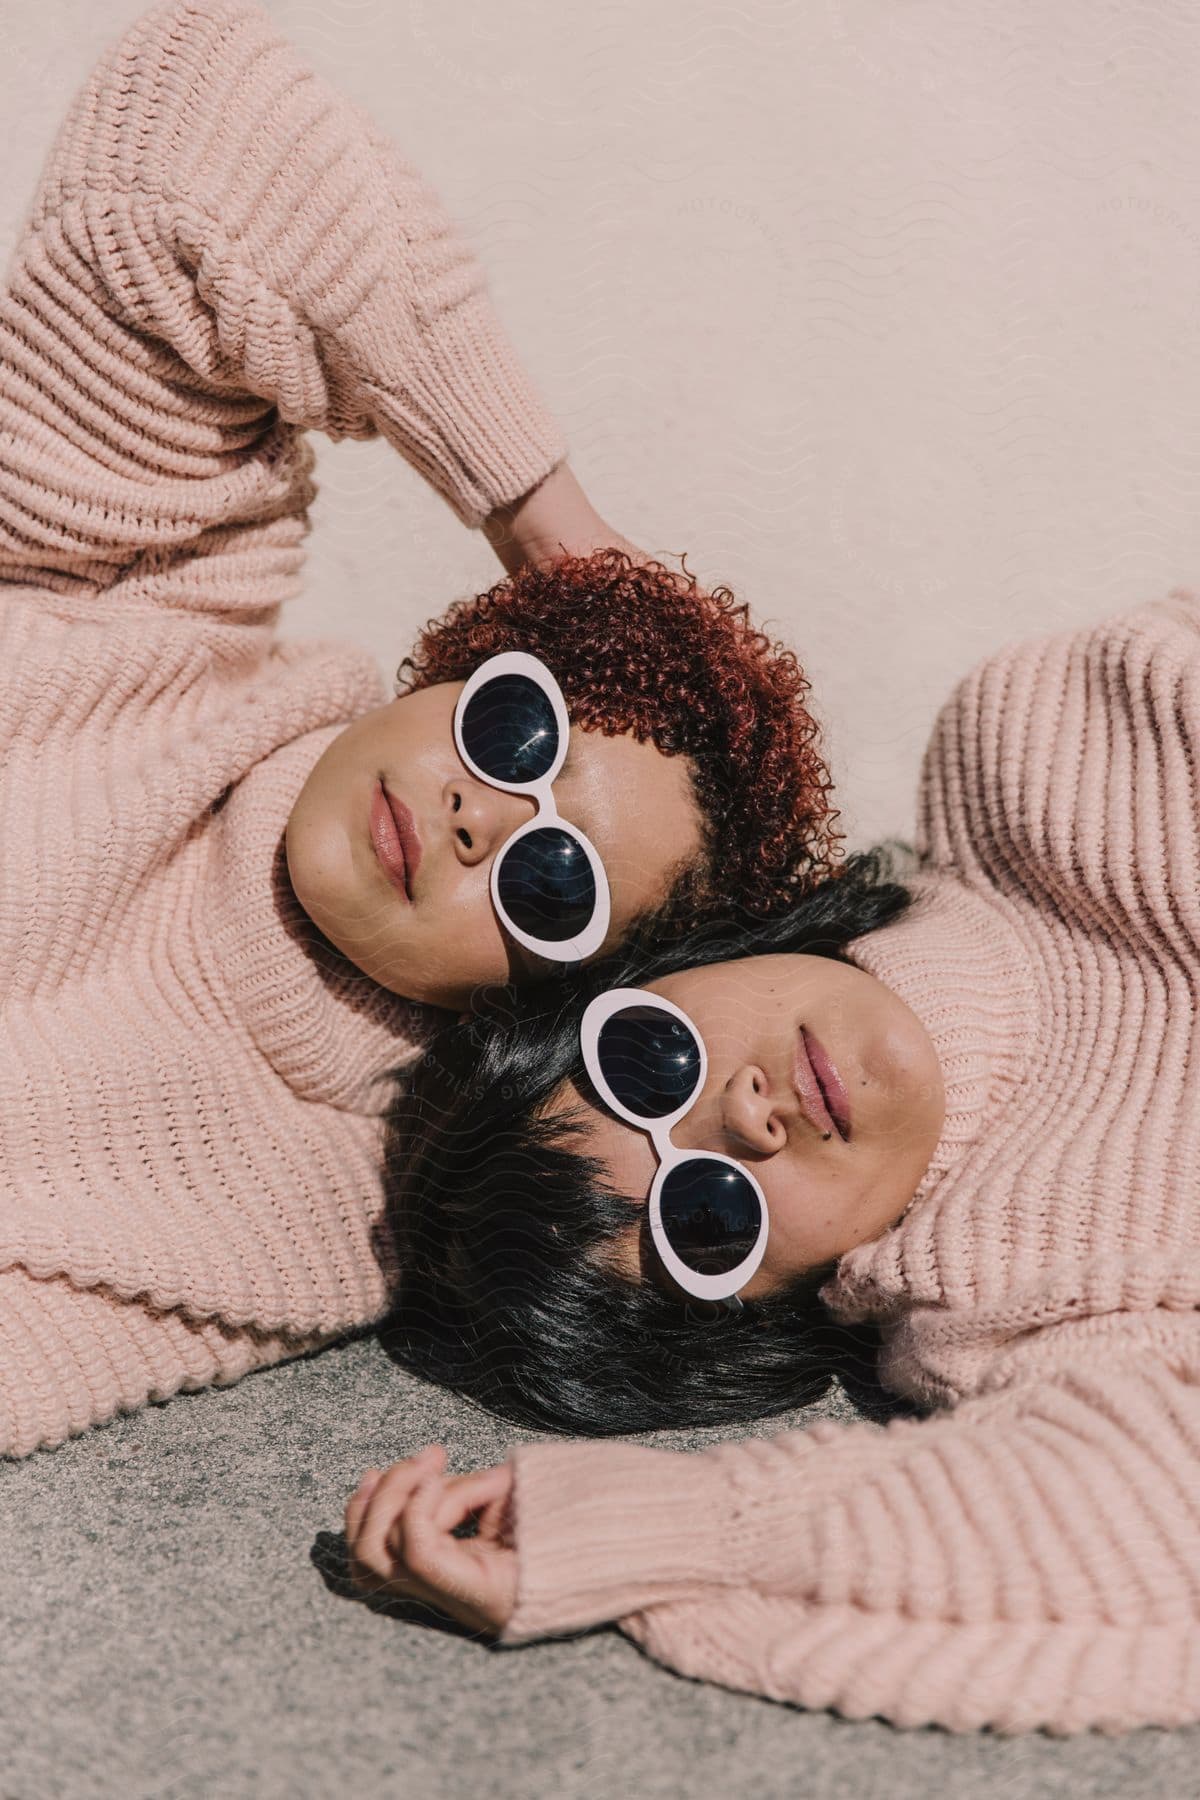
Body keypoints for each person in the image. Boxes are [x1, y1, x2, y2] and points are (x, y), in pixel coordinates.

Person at [0, 1, 836, 1455]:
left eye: (551, 880)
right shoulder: (151, 606)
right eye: (519, 735)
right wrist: (546, 521)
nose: (481, 820)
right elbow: (185, 121)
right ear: (464, 663)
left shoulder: (330, 1205)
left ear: (538, 1001)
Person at [345, 589, 1200, 1736]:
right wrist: (666, 1534)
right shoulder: (1005, 1301)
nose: (744, 1121)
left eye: (649, 1061)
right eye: (709, 1217)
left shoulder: (1036, 744)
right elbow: (1149, 1512)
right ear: (774, 1312)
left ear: (648, 964)